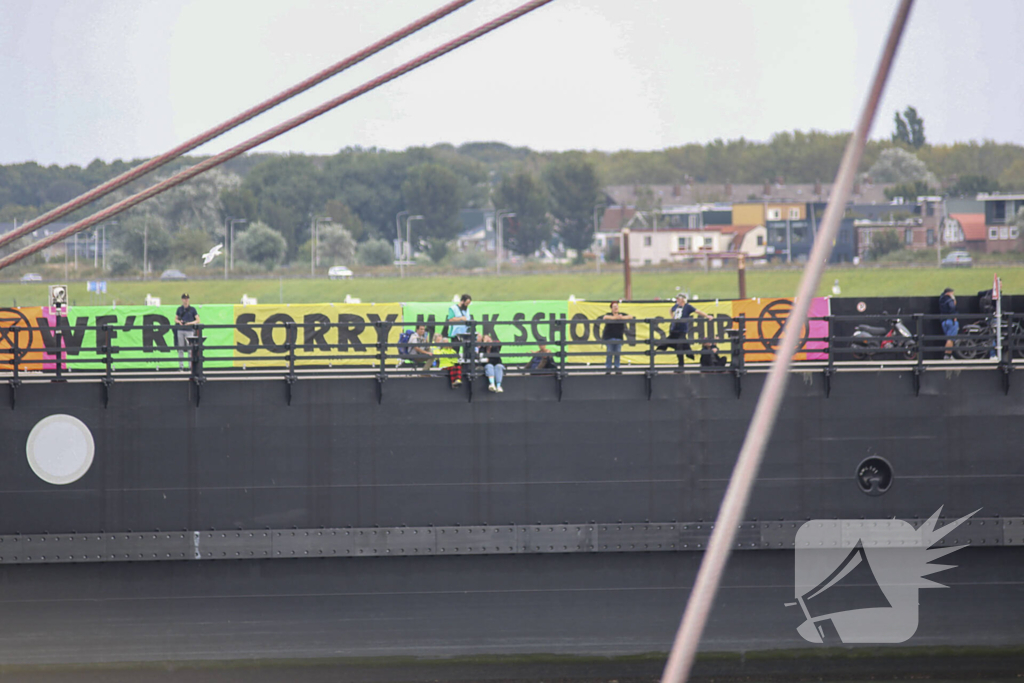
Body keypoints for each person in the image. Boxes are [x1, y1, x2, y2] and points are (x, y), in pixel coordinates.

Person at [658, 293, 712, 367]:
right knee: (666, 343)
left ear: (683, 299)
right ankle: (686, 349)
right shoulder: (676, 306)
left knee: (679, 346)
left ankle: (681, 365)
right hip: (674, 330)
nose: (677, 300)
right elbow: (670, 310)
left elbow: (697, 311)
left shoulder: (687, 307)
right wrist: (672, 318)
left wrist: (707, 316)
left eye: (678, 299)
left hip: (682, 330)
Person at [600, 301, 633, 373]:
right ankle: (608, 368)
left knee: (617, 353)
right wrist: (615, 318)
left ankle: (617, 367)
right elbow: (605, 317)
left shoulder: (622, 314)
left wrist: (621, 317)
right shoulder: (609, 314)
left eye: (617, 306)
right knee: (609, 353)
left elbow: (630, 317)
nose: (616, 308)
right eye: (614, 307)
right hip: (609, 337)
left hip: (619, 337)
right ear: (611, 308)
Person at [175, 293, 200, 371]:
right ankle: (181, 366)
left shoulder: (192, 309)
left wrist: (189, 323)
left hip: (189, 330)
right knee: (181, 349)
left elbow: (198, 320)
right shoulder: (179, 309)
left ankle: (190, 366)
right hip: (181, 330)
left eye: (187, 299)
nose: (186, 300)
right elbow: (175, 319)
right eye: (184, 299)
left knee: (190, 349)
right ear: (182, 300)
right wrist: (179, 322)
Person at [446, 294, 474, 360]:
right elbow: (450, 319)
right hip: (455, 333)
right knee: (455, 351)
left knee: (467, 351)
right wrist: (461, 319)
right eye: (466, 303)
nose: (467, 305)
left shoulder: (467, 309)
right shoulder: (453, 308)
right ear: (462, 301)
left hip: (465, 333)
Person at [939, 287, 958, 359]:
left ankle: (949, 355)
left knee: (948, 338)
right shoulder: (949, 300)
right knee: (951, 339)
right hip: (951, 321)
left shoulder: (941, 299)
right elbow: (952, 307)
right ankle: (947, 356)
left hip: (944, 321)